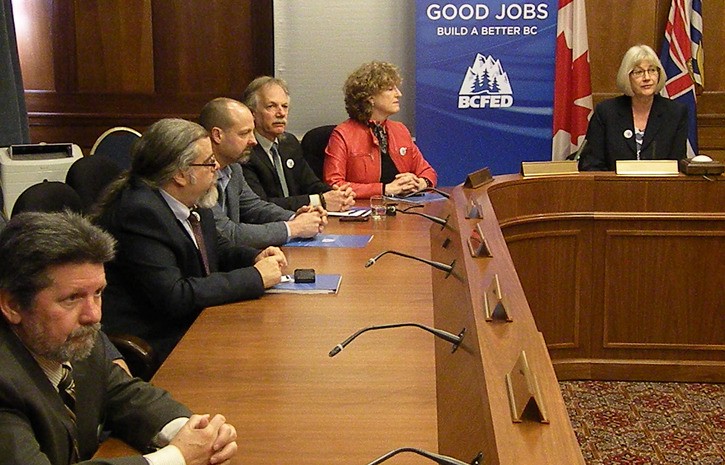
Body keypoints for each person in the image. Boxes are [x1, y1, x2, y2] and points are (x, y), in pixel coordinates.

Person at [0, 211, 237, 465]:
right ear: (13, 305)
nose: (93, 315)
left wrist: (192, 431)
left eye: (99, 292)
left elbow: (124, 395)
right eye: (72, 298)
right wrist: (176, 457)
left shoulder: (70, 340)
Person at [94, 118, 287, 365]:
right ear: (180, 174)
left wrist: (254, 257)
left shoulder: (195, 199)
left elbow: (217, 248)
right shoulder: (140, 213)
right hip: (161, 338)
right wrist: (255, 277)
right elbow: (175, 296)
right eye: (208, 162)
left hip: (195, 320)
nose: (217, 166)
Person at [199, 97, 327, 248]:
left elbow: (255, 207)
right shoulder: (198, 173)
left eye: (252, 132)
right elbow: (227, 233)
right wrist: (293, 228)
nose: (253, 140)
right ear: (217, 135)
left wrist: (296, 217)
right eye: (244, 133)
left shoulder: (234, 168)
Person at [324, 61, 438, 199]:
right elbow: (334, 185)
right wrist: (385, 189)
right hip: (366, 212)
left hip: (404, 210)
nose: (399, 94)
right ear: (370, 97)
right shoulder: (343, 134)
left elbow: (428, 172)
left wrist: (419, 183)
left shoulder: (400, 130)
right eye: (390, 89)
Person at [241, 76, 355, 211]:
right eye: (271, 106)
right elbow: (261, 205)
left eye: (285, 106)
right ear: (252, 113)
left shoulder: (289, 143)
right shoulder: (245, 150)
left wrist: (337, 194)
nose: (281, 113)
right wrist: (320, 200)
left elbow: (311, 184)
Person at [578, 44, 688, 171]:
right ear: (627, 77)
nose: (647, 78)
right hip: (615, 189)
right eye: (639, 72)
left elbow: (677, 165)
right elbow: (592, 164)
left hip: (659, 188)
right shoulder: (606, 112)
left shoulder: (675, 112)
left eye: (652, 70)